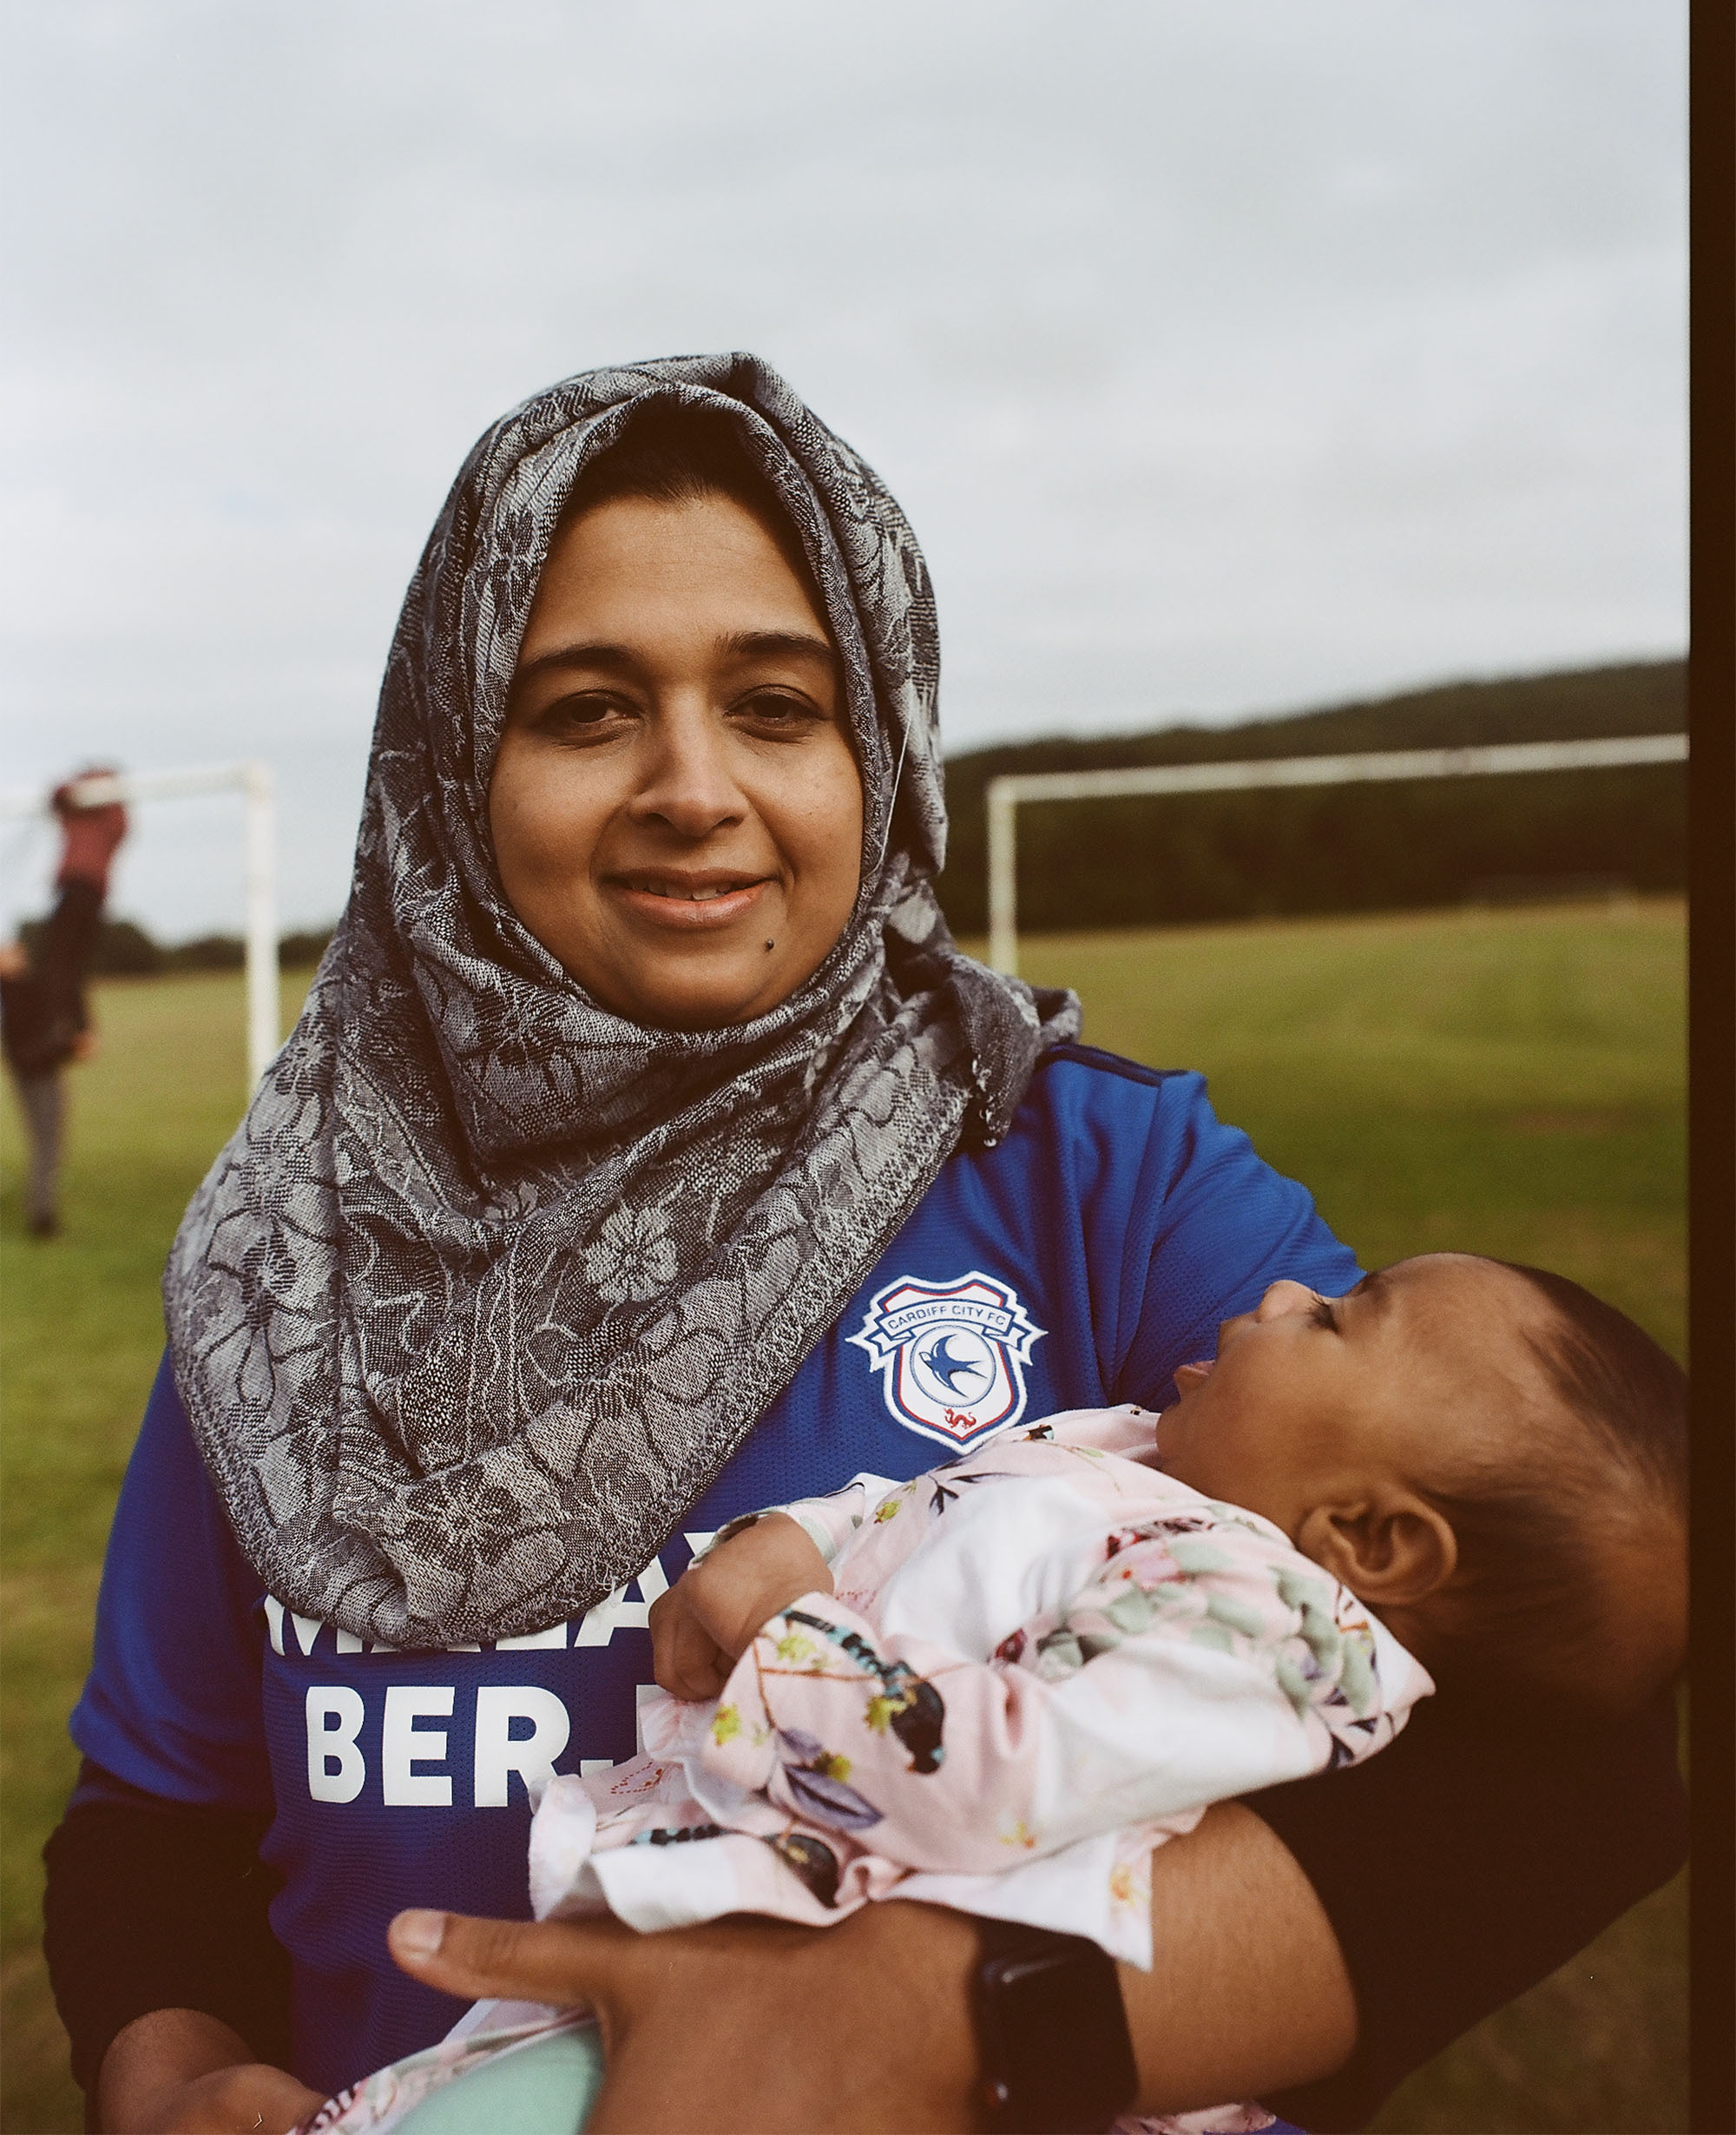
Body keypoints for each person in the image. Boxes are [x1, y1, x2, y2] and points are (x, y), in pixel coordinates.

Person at [41, 359, 1686, 2135]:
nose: (693, 787)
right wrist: (169, 2071)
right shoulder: (288, 1261)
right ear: (451, 762)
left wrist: (937, 2016)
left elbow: (1567, 1718)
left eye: (776, 705)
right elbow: (161, 1819)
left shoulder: (1088, 1174)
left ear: (878, 748)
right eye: (587, 710)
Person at [288, 1255, 1688, 2135]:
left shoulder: (1258, 1635)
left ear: (1374, 1541)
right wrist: (796, 1535)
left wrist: (787, 1628)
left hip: (828, 2009)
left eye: (1329, 1316)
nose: (1277, 1292)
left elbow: (984, 1777)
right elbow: (940, 1501)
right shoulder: (1153, 1459)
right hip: (720, 1933)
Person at [1, 769, 128, 1236]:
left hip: (34, 1062)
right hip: (37, 1066)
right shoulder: (19, 991)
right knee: (48, 1139)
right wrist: (77, 1038)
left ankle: (41, 1210)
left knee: (64, 966)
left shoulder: (106, 815)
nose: (16, 952)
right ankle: (42, 1216)